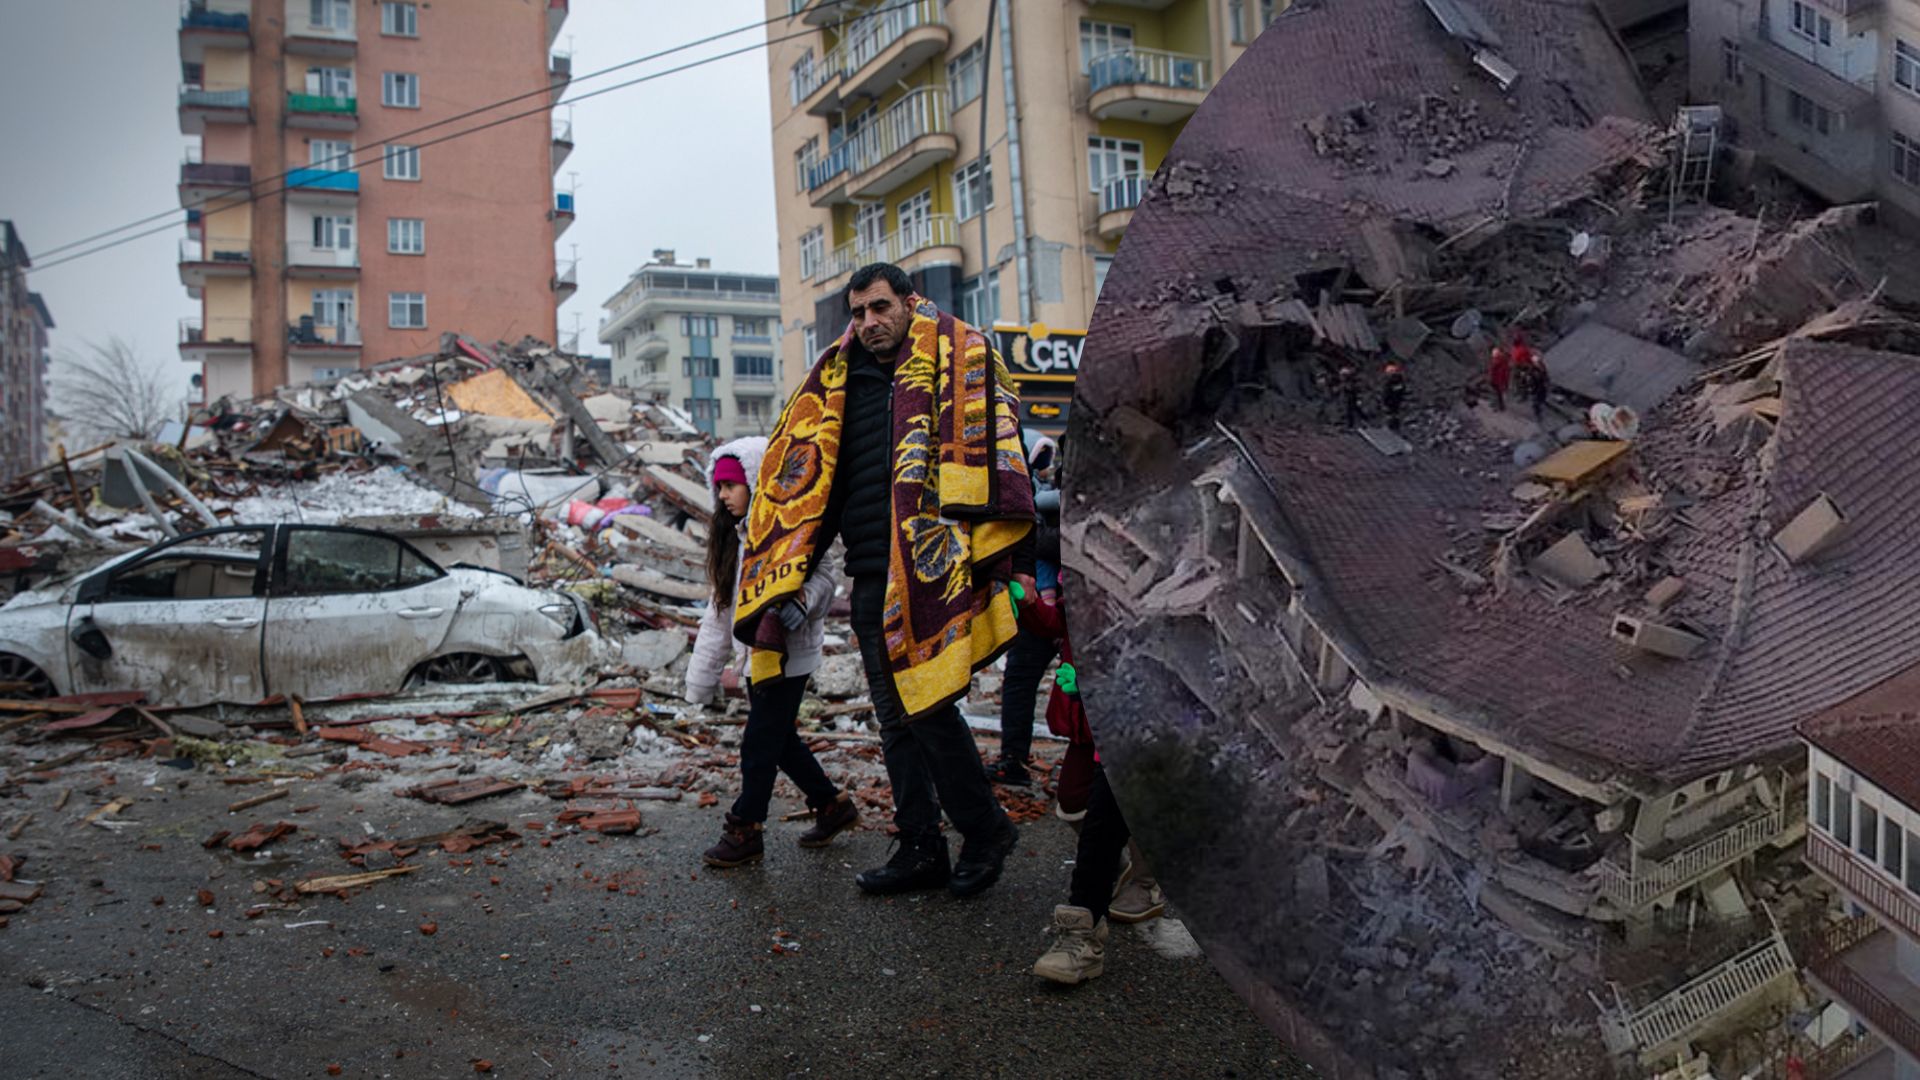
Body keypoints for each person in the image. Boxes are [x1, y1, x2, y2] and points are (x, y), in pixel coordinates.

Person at [733, 262, 1036, 900]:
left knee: (927, 708)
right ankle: (921, 844)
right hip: (869, 575)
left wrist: (1008, 562)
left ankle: (984, 830)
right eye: (859, 313)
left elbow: (1003, 455)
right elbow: (811, 481)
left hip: (932, 569)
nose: (869, 322)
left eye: (879, 308)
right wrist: (790, 566)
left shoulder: (959, 359)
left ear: (907, 303)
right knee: (895, 719)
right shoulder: (837, 382)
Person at [688, 438, 857, 868]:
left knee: (759, 744)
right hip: (752, 657)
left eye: (732, 486)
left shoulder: (791, 530)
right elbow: (719, 614)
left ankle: (746, 829)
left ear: (757, 480)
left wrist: (802, 603)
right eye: (719, 487)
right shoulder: (733, 538)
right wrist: (701, 680)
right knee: (779, 741)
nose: (723, 496)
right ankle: (831, 805)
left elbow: (824, 576)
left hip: (789, 655)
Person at [1013, 572, 1164, 987]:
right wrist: (1026, 601)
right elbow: (1058, 624)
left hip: (1161, 721)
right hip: (1105, 727)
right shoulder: (1084, 575)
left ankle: (1136, 889)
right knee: (1084, 811)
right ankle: (1084, 930)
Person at [989, 430, 1062, 788]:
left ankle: (1014, 759)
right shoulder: (1038, 497)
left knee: (1021, 679)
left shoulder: (1037, 499)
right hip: (1046, 604)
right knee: (1021, 678)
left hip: (1051, 605)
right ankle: (1014, 760)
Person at [1380, 363, 1408, 431]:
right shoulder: (1392, 382)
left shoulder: (1394, 381)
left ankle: (1393, 427)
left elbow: (1388, 391)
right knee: (1393, 414)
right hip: (1394, 400)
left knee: (1393, 414)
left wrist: (1385, 401)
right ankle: (1393, 426)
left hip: (1394, 400)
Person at [1487, 346, 1510, 412]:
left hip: (1496, 380)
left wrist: (1490, 378)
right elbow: (1506, 372)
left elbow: (1492, 371)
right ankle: (1501, 406)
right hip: (1500, 380)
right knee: (1498, 393)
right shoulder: (1504, 361)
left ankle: (1496, 406)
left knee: (1496, 394)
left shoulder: (1496, 361)